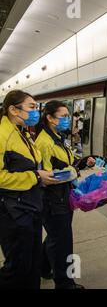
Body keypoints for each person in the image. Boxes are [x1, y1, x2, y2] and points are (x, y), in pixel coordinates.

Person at [35, 100, 95, 289]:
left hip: (62, 196)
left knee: (55, 236)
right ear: (50, 118)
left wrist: (83, 162)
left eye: (68, 116)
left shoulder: (56, 137)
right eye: (63, 117)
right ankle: (65, 284)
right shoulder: (44, 143)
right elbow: (47, 176)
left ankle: (43, 268)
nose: (67, 120)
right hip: (52, 199)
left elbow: (65, 161)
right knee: (62, 243)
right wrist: (74, 172)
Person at [0, 90, 56, 289]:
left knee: (32, 263)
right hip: (12, 212)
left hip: (30, 207)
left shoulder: (22, 132)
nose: (36, 111)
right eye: (31, 107)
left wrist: (43, 175)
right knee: (17, 267)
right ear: (13, 110)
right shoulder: (2, 135)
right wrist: (35, 177)